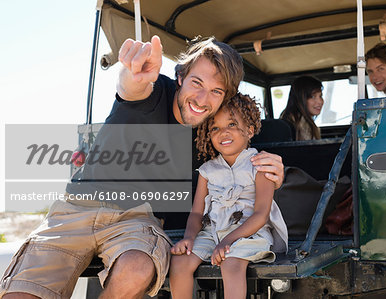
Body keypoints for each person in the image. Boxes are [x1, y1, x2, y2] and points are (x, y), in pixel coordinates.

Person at [0, 36, 285, 299]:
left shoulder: (212, 137)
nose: (202, 99)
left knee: (136, 268)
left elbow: (241, 170)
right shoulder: (153, 92)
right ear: (180, 76)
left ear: (226, 98)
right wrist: (132, 74)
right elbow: (131, 87)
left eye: (216, 91)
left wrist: (274, 173)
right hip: (77, 207)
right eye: (196, 83)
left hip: (136, 219)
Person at [169, 93, 288, 299]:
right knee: (179, 262)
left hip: (249, 234)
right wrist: (188, 238)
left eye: (232, 124)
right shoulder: (207, 170)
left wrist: (228, 241)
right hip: (212, 232)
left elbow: (261, 214)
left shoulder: (260, 164)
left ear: (250, 131)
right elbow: (197, 212)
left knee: (231, 264)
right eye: (215, 128)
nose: (223, 132)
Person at [280, 76, 324, 140]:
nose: (320, 101)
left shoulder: (302, 121)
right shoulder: (295, 124)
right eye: (312, 96)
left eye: (320, 96)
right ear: (301, 99)